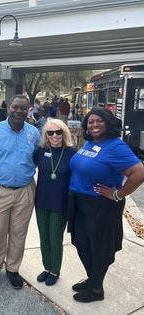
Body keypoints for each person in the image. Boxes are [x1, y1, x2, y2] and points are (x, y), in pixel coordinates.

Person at [68, 108, 144, 303]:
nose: (94, 125)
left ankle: (96, 290)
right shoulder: (91, 142)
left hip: (101, 206)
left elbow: (139, 173)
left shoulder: (116, 147)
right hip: (80, 203)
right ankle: (93, 278)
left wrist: (117, 194)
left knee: (99, 248)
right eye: (90, 122)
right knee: (82, 243)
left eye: (99, 121)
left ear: (108, 122)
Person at [0, 94, 40, 289]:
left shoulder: (34, 133)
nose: (19, 111)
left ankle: (13, 269)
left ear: (28, 110)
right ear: (8, 108)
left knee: (18, 232)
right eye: (16, 107)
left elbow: (40, 160)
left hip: (25, 190)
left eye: (23, 108)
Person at [33, 119, 76, 286]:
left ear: (64, 133)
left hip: (61, 204)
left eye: (58, 132)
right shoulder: (41, 151)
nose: (55, 135)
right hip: (42, 201)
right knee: (44, 238)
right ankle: (47, 268)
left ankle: (55, 270)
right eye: (50, 133)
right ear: (46, 135)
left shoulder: (72, 153)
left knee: (54, 238)